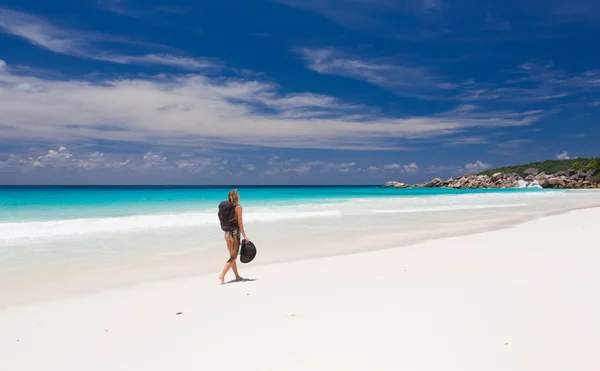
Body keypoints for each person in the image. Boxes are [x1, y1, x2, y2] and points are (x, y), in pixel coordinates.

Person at [218, 189, 249, 285]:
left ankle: (237, 276)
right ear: (237, 197)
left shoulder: (226, 208)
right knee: (233, 257)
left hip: (227, 233)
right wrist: (245, 236)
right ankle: (222, 274)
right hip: (234, 234)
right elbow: (240, 223)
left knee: (231, 256)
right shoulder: (238, 207)